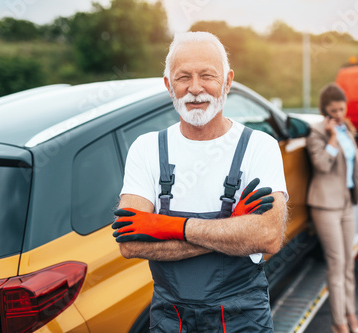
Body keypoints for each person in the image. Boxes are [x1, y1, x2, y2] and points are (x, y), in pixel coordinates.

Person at [112, 31, 288, 332]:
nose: (195, 88)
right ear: (169, 85)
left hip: (242, 316)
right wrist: (233, 229)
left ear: (228, 81)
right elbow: (131, 244)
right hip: (171, 318)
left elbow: (268, 236)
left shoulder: (259, 145)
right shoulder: (147, 148)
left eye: (207, 75)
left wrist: (168, 227)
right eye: (183, 77)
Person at [306, 83, 358, 333]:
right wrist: (332, 137)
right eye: (334, 110)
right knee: (336, 263)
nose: (339, 114)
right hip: (325, 206)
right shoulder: (317, 132)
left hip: (345, 204)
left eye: (342, 109)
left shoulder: (346, 128)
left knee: (348, 265)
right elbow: (322, 164)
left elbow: (349, 160)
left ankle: (352, 320)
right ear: (325, 110)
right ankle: (339, 325)